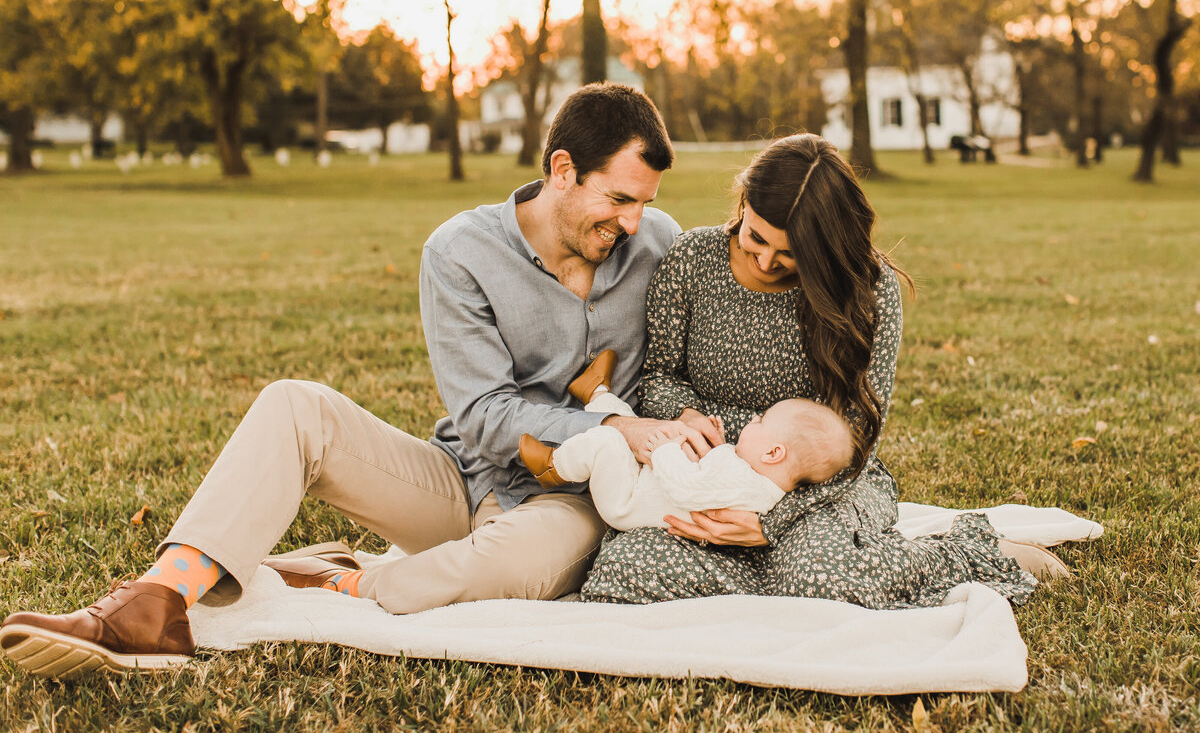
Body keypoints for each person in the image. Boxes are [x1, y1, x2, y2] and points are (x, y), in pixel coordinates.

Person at [0, 84, 707, 679]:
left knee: (528, 559)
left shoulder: (658, 243)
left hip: (575, 500)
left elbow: (691, 352)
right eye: (618, 198)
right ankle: (156, 603)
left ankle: (342, 576)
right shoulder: (460, 252)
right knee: (295, 406)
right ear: (562, 170)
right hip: (468, 480)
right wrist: (613, 424)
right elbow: (487, 415)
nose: (634, 220)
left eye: (644, 201)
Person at [579, 133, 1062, 608]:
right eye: (756, 237)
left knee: (823, 577)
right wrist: (684, 416)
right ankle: (795, 576)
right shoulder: (691, 259)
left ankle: (961, 554)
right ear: (744, 202)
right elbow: (659, 378)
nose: (766, 260)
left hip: (821, 489)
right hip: (706, 475)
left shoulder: (867, 290)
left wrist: (774, 521)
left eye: (790, 253)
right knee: (626, 571)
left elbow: (855, 432)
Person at [517, 350, 853, 530]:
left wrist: (665, 451)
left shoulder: (748, 488)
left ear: (774, 453)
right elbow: (714, 477)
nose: (754, 419)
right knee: (638, 428)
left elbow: (687, 490)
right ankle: (595, 390)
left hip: (629, 500)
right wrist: (718, 445)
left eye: (761, 421)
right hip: (649, 479)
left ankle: (555, 466)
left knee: (609, 439)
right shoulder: (755, 479)